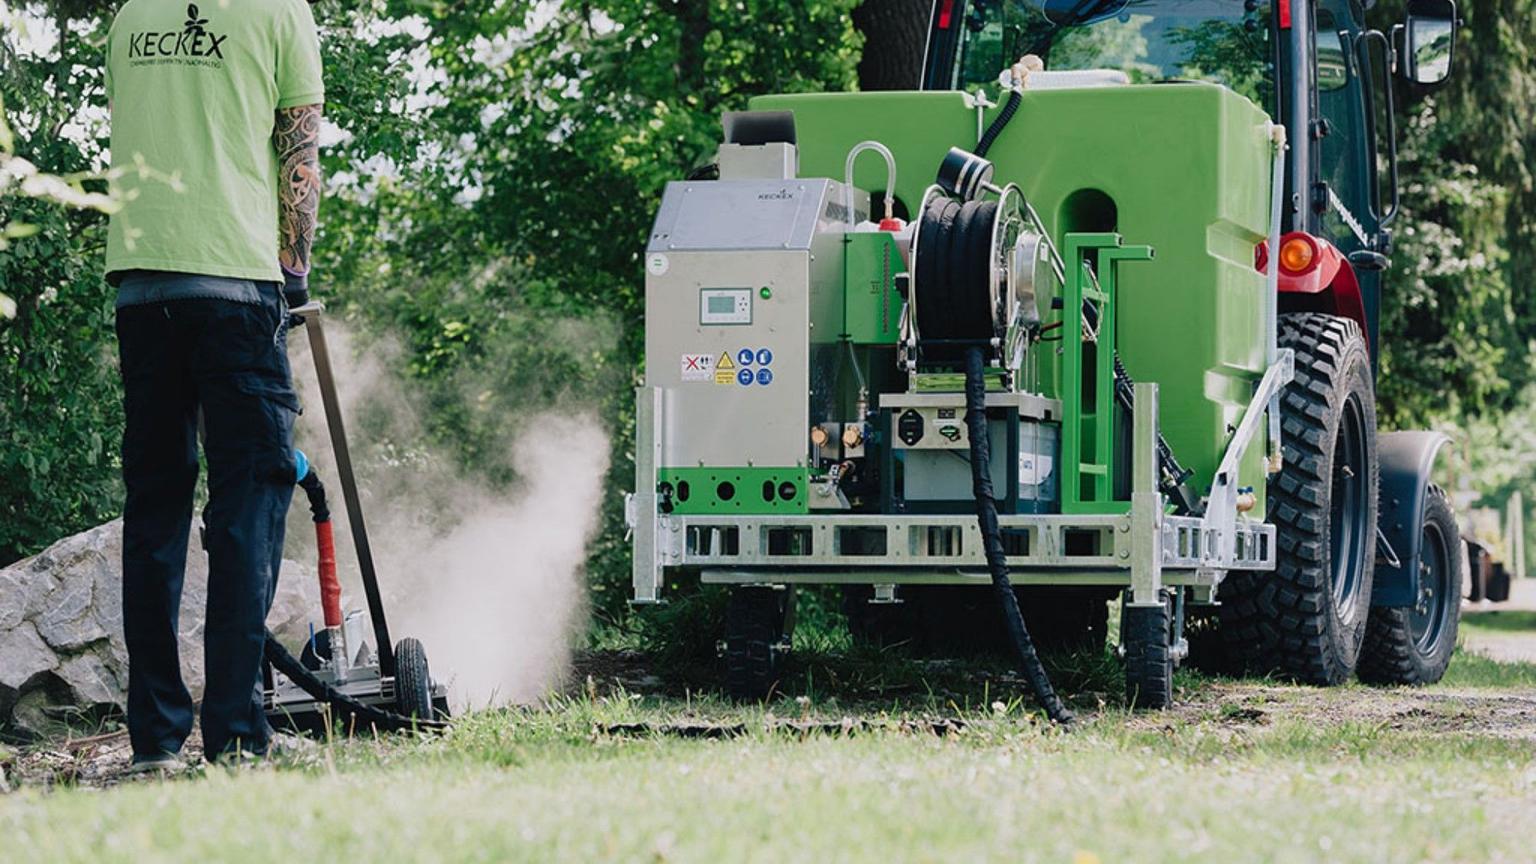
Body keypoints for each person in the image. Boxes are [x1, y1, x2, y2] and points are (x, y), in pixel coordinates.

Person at [104, 0, 324, 770]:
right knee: (250, 501)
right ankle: (235, 735)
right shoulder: (279, 11)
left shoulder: (132, 14)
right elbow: (299, 159)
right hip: (235, 284)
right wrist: (294, 275)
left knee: (156, 509)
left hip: (140, 288)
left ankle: (156, 742)